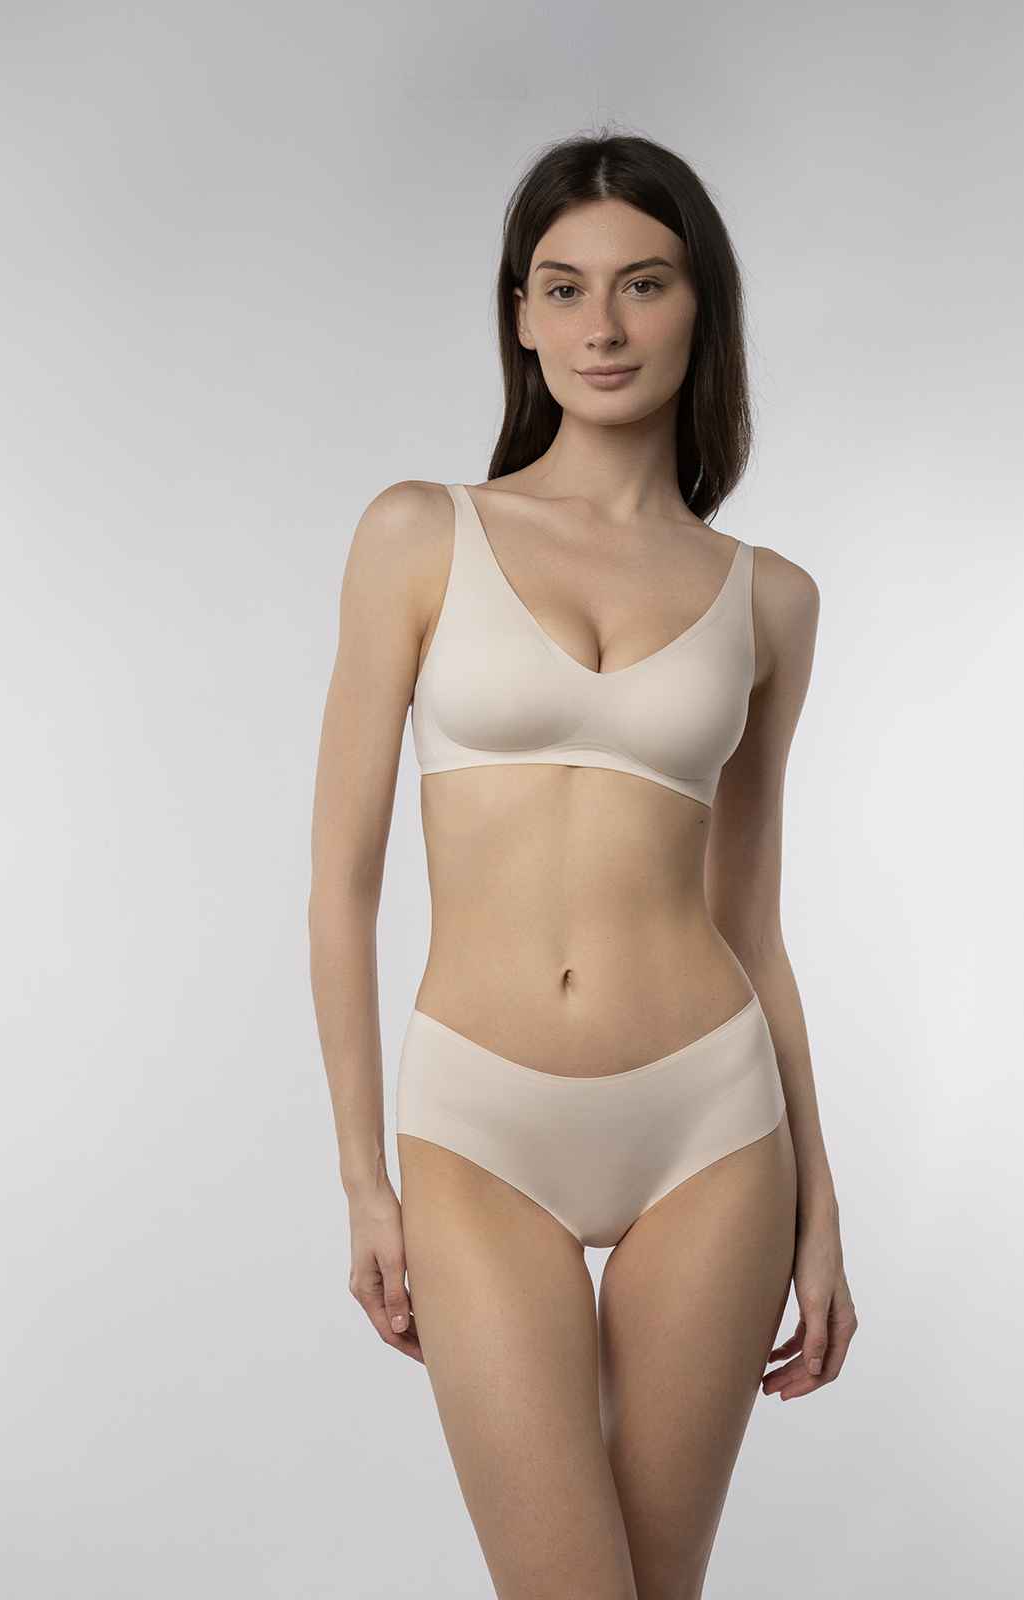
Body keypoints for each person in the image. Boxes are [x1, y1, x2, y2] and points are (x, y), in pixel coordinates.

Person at [309, 131, 857, 1600]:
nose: (603, 326)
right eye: (564, 287)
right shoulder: (421, 534)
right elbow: (342, 881)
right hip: (478, 1127)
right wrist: (363, 1178)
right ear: (521, 315)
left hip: (711, 1128)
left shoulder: (773, 601)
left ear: (702, 306)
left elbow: (753, 922)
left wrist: (821, 1208)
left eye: (644, 283)